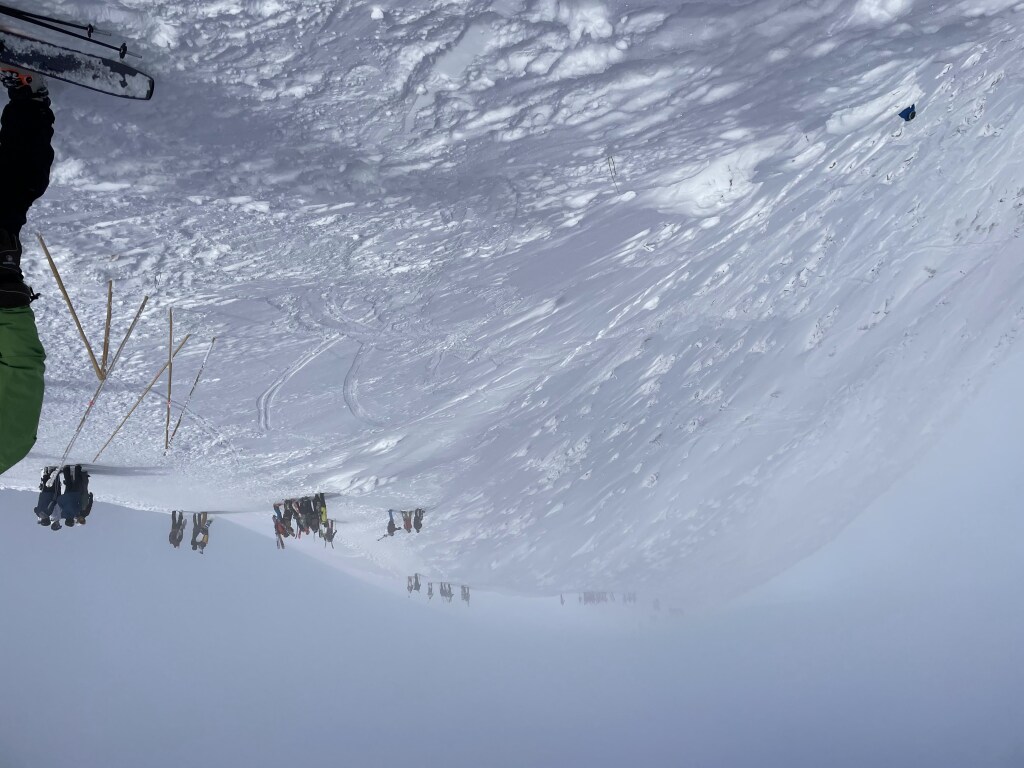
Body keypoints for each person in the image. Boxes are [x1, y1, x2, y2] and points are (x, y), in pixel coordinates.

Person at [0, 70, 55, 476]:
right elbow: (22, 368)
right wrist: (7, 302)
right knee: (13, 188)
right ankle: (27, 99)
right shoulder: (6, 447)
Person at [56, 464, 90, 528]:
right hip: (66, 495)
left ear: (72, 521)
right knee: (68, 482)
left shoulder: (75, 513)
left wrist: (79, 496)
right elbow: (60, 505)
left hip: (75, 495)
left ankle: (77, 468)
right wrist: (61, 498)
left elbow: (79, 504)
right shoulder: (62, 514)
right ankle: (66, 469)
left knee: (76, 482)